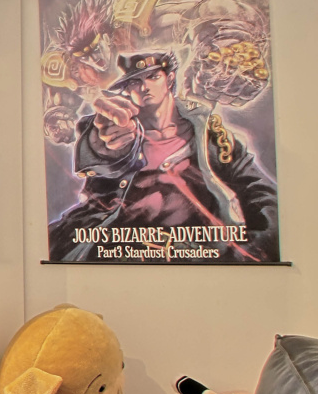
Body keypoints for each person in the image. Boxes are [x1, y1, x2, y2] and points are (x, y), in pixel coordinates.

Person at [50, 51, 277, 262]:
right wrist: (103, 145)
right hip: (118, 251)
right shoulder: (118, 130)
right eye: (134, 81)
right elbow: (99, 152)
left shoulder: (213, 137)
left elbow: (260, 193)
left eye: (153, 77)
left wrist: (251, 250)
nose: (144, 86)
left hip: (199, 254)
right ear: (127, 90)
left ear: (169, 79)